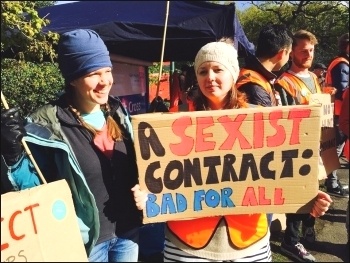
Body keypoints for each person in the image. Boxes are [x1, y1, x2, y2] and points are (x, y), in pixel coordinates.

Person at [132, 38, 333, 262]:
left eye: (218, 69)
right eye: (202, 71)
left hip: (249, 242)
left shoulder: (263, 119)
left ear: (233, 73)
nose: (210, 77)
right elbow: (157, 177)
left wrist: (308, 196)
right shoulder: (172, 121)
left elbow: (283, 171)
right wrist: (147, 194)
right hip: (186, 245)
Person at [1, 29, 142, 262]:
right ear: (73, 78)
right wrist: (13, 154)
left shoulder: (118, 113)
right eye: (93, 73)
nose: (105, 81)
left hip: (128, 234)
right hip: (85, 245)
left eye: (107, 71)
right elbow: (33, 188)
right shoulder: (46, 125)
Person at [274, 29, 326, 262]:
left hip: (316, 143)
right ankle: (290, 241)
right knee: (298, 191)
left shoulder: (314, 78)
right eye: (303, 50)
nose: (308, 54)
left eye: (311, 50)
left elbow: (320, 109)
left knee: (315, 187)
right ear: (291, 52)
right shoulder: (284, 82)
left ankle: (308, 227)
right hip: (296, 147)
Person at [236, 24, 293, 107]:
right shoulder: (254, 85)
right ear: (282, 53)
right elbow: (265, 119)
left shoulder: (251, 74)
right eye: (289, 53)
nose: (289, 58)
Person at [324, 32, 349, 197]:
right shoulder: (342, 64)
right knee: (335, 150)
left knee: (335, 149)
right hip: (340, 113)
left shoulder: (341, 63)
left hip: (337, 112)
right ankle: (331, 183)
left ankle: (331, 181)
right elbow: (343, 90)